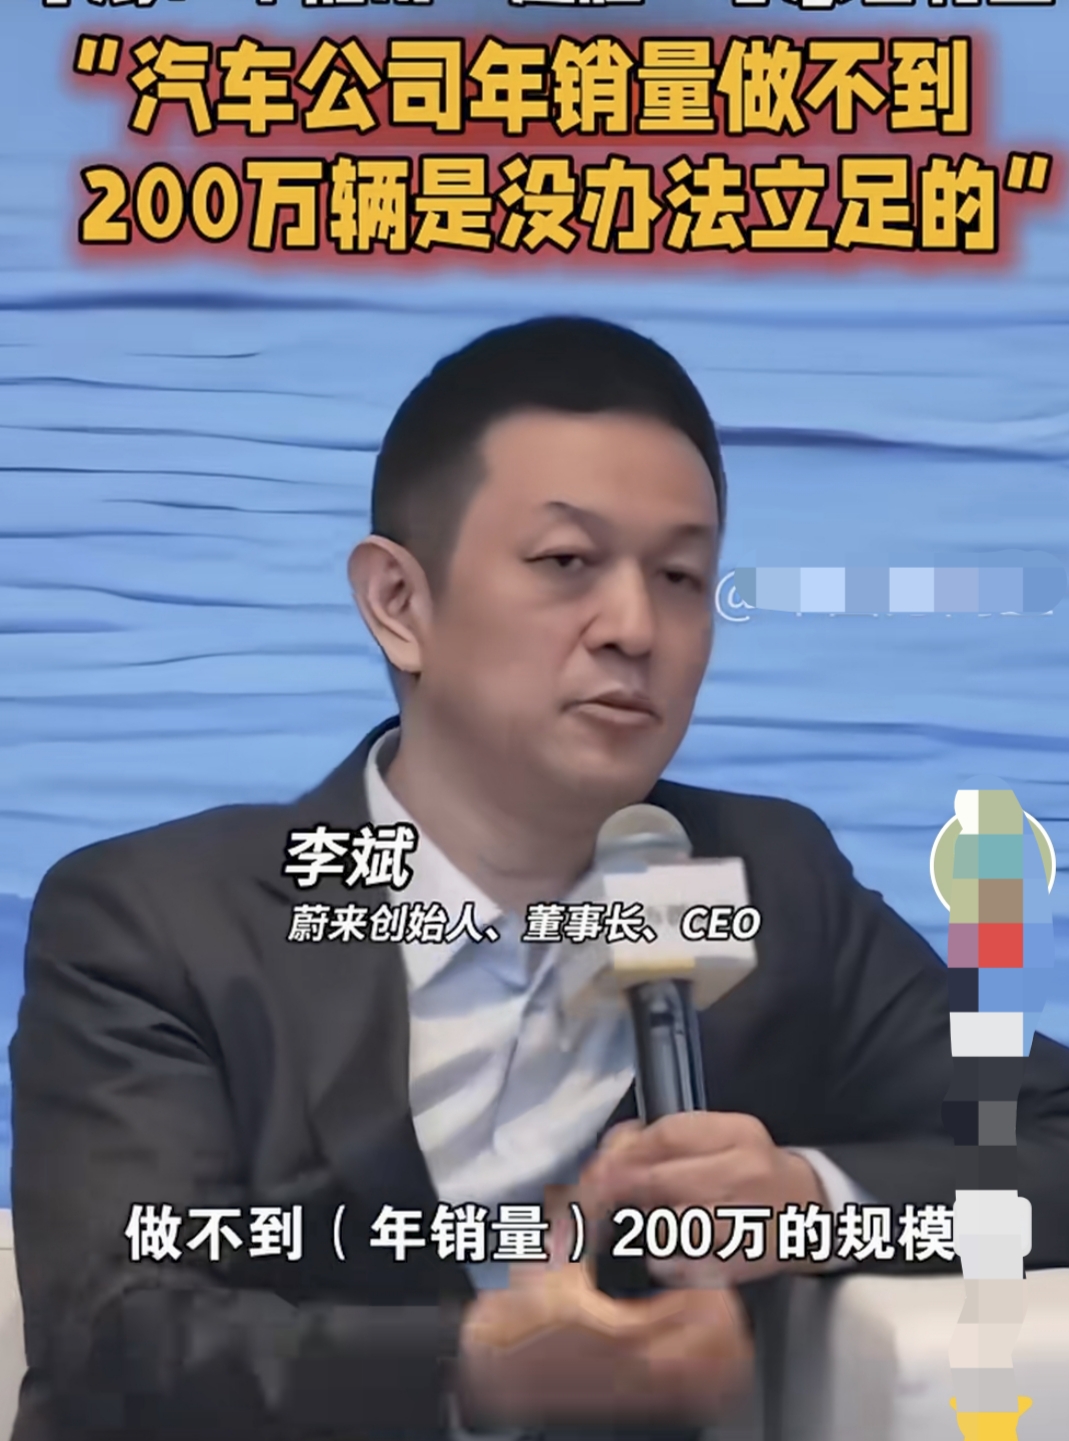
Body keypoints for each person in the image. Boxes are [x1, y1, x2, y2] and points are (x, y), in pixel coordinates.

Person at [10, 317, 1069, 1441]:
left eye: (680, 576)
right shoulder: (158, 917)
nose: (634, 628)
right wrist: (483, 1367)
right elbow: (120, 1329)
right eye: (567, 563)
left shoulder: (768, 881)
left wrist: (806, 1200)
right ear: (400, 604)